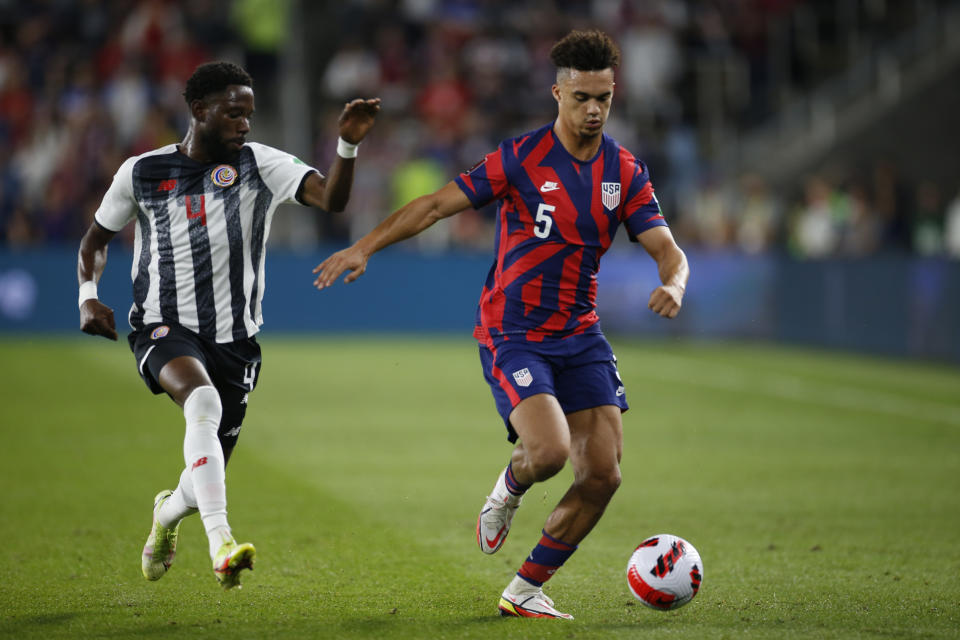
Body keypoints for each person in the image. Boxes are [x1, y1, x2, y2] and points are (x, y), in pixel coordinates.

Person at [313, 30, 689, 619]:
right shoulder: (521, 158)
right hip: (512, 330)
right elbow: (436, 205)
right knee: (549, 454)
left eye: (604, 99)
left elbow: (666, 247)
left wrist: (674, 283)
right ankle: (508, 489)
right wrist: (366, 246)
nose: (593, 110)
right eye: (581, 97)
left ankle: (524, 590)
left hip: (581, 334)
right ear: (557, 92)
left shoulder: (625, 170)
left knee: (604, 476)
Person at [77, 61, 379, 589]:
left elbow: (331, 199)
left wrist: (347, 146)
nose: (245, 123)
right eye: (234, 112)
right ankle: (222, 546)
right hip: (161, 326)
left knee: (203, 471)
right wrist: (87, 298)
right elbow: (94, 242)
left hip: (236, 342)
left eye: (250, 114)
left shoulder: (261, 164)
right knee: (203, 404)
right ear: (200, 110)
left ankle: (166, 516)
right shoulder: (141, 172)